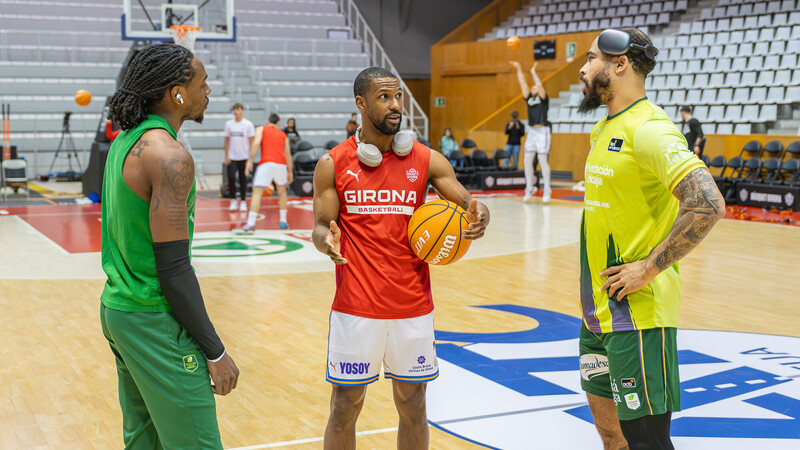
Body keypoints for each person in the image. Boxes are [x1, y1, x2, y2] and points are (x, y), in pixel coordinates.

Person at [313, 67, 490, 449]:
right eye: (384, 98)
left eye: (398, 98)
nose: (395, 106)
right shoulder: (334, 163)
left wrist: (480, 214)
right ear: (361, 103)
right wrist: (325, 239)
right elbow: (319, 225)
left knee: (413, 404)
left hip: (412, 305)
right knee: (345, 405)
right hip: (355, 307)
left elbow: (466, 202)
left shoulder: (425, 159)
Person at [576, 28, 725, 450]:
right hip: (598, 312)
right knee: (611, 435)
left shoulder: (651, 129)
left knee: (647, 442)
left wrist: (648, 268)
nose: (583, 69)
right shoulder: (606, 127)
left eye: (590, 60)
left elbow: (708, 204)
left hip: (638, 317)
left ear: (619, 64)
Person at [101, 43, 239, 449]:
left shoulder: (126, 140)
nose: (208, 90)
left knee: (146, 443)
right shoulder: (168, 155)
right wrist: (215, 351)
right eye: (202, 82)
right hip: (153, 317)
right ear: (177, 93)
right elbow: (174, 268)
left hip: (119, 311)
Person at [235, 113, 294, 233]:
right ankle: (283, 222)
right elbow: (288, 155)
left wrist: (250, 160)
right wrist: (290, 172)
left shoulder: (261, 128)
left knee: (257, 193)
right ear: (278, 123)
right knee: (282, 193)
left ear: (268, 121)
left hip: (266, 163)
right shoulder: (283, 134)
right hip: (281, 165)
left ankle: (250, 224)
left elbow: (256, 143)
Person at [511, 60, 551, 202]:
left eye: (535, 87)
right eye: (532, 87)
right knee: (527, 160)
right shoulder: (529, 99)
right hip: (532, 133)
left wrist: (533, 72)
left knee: (542, 160)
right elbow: (522, 83)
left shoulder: (544, 99)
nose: (533, 88)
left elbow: (539, 85)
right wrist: (519, 67)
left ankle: (547, 189)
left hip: (543, 131)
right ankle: (530, 187)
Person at [224, 102, 255, 212]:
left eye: (238, 109)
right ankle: (233, 201)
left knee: (243, 180)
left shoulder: (248, 124)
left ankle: (242, 201)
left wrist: (250, 159)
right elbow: (226, 141)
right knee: (231, 179)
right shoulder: (229, 124)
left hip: (244, 157)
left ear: (242, 111)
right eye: (234, 109)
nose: (236, 111)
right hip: (232, 157)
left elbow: (252, 142)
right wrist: (227, 155)